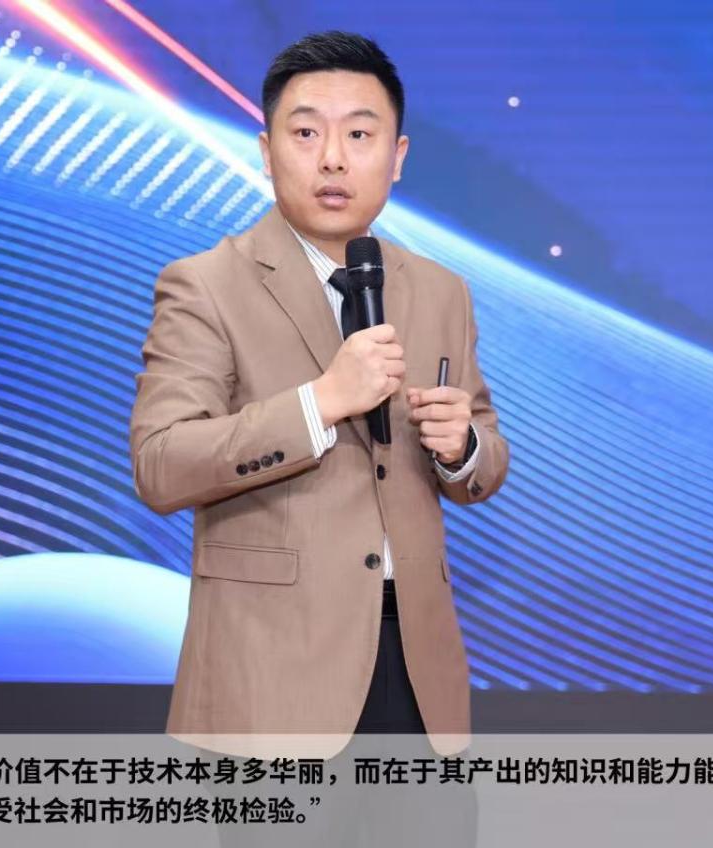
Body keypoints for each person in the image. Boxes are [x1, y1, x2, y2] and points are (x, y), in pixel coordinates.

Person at [129, 30, 509, 765]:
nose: (333, 158)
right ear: (267, 150)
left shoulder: (442, 291)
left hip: (417, 672)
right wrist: (321, 403)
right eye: (305, 133)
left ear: (397, 156)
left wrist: (463, 448)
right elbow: (161, 463)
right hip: (270, 674)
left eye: (360, 135)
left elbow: (484, 458)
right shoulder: (204, 285)